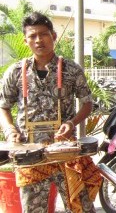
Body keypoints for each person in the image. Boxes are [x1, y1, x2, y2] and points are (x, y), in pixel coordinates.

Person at [0, 12, 102, 212]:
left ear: (53, 36)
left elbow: (88, 103)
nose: (39, 40)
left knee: (81, 207)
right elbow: (3, 105)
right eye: (32, 36)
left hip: (65, 152)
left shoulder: (71, 69)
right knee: (33, 210)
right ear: (25, 40)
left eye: (44, 34)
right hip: (29, 155)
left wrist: (72, 123)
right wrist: (10, 129)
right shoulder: (16, 71)